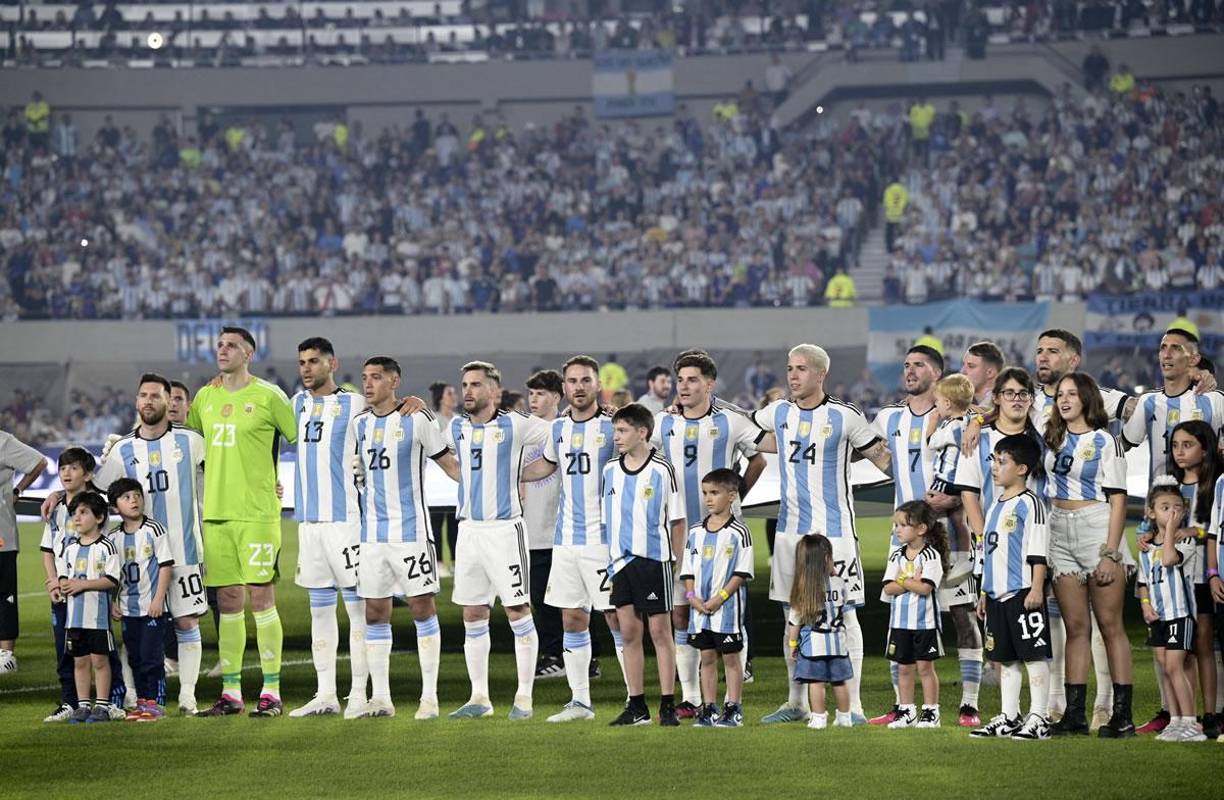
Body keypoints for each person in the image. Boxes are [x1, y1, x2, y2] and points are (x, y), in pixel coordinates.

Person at [751, 344, 894, 724]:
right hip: (789, 533)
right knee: (791, 615)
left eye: (801, 369)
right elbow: (744, 428)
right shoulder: (778, 412)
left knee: (846, 614)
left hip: (837, 534)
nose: (792, 376)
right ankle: (796, 702)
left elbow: (883, 460)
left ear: (821, 374)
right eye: (789, 368)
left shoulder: (845, 416)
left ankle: (855, 706)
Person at [187, 326, 298, 717]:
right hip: (216, 513)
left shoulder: (269, 396)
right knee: (229, 601)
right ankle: (231, 693)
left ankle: (271, 691)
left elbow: (303, 438)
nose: (223, 350)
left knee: (261, 598)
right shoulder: (206, 397)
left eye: (231, 345)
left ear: (248, 354)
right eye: (219, 345)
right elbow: (190, 443)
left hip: (257, 514)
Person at [85, 373, 208, 714]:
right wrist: (57, 495)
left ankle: (188, 695)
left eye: (156, 395)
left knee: (187, 623)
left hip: (184, 550)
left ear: (169, 401)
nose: (149, 401)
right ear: (136, 401)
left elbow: (225, 474)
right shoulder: (123, 449)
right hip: (136, 559)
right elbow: (97, 492)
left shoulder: (192, 441)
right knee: (136, 627)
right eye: (143, 395)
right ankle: (133, 694)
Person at [871, 347, 981, 729]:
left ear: (937, 372)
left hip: (951, 533)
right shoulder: (889, 417)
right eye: (906, 364)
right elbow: (861, 445)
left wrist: (956, 498)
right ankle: (901, 706)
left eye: (919, 364)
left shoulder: (962, 416)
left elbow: (976, 458)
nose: (910, 370)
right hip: (903, 540)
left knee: (964, 617)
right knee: (899, 618)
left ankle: (969, 704)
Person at [652, 351, 765, 717]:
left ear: (710, 384)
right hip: (679, 533)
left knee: (727, 614)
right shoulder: (663, 422)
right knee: (681, 615)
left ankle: (732, 697)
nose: (684, 386)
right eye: (680, 380)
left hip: (723, 536)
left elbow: (759, 458)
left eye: (692, 380)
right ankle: (691, 698)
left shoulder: (730, 421)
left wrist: (736, 496)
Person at [351, 357, 460, 720]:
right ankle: (381, 698)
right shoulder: (360, 424)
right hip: (372, 536)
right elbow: (359, 473)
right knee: (374, 612)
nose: (368, 384)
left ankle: (429, 697)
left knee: (421, 607)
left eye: (376, 377)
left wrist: (489, 484)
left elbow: (450, 465)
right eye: (365, 378)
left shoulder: (418, 418)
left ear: (394, 381)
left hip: (411, 533)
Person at [443, 360, 550, 721]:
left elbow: (558, 436)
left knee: (518, 610)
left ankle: (524, 698)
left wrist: (530, 471)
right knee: (473, 613)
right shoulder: (456, 427)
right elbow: (435, 449)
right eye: (464, 385)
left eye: (475, 384)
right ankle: (479, 698)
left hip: (505, 531)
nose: (467, 391)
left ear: (494, 390)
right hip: (469, 531)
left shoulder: (516, 424)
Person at [521, 355, 620, 722]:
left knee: (616, 619)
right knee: (573, 619)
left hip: (603, 541)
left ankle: (635, 699)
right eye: (573, 381)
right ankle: (580, 702)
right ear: (564, 388)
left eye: (586, 380)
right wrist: (507, 472)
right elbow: (546, 465)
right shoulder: (559, 429)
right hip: (565, 541)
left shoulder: (613, 426)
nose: (579, 387)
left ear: (598, 385)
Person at [1042, 372, 1134, 738]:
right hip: (1058, 528)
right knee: (1076, 627)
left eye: (1071, 394)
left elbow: (1119, 500)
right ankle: (1075, 716)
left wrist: (1111, 553)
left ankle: (1122, 716)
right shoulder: (1051, 437)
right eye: (1060, 395)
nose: (1064, 400)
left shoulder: (1105, 441)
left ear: (1086, 399)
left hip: (1097, 527)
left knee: (1110, 625)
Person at [287, 337, 369, 719]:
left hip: (344, 521)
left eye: (314, 361)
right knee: (319, 611)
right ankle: (325, 694)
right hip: (309, 524)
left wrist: (413, 403)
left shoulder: (355, 403)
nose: (306, 368)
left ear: (332, 364)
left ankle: (359, 694)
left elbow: (391, 415)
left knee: (357, 610)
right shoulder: (296, 404)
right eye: (302, 362)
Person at [603, 403, 686, 726]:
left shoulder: (662, 469)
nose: (616, 436)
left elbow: (677, 520)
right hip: (620, 563)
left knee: (660, 632)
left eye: (623, 430)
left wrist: (678, 561)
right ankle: (637, 705)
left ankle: (668, 704)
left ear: (642, 432)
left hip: (653, 560)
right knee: (628, 633)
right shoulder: (611, 470)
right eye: (615, 430)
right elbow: (609, 518)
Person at [970, 434, 1053, 741]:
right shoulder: (995, 505)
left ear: (1022, 469)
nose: (994, 467)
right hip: (996, 595)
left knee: (1033, 655)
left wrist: (1036, 589)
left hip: (1022, 592)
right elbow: (988, 552)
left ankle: (1039, 717)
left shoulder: (1031, 504)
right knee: (1005, 658)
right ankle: (1009, 716)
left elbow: (1038, 551)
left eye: (1002, 461)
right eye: (993, 460)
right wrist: (984, 591)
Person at [40, 448, 126, 722]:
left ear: (87, 474)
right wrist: (53, 581)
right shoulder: (55, 508)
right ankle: (72, 702)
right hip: (63, 587)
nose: (66, 473)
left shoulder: (97, 505)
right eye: (63, 468)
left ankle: (111, 701)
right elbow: (48, 549)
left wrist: (113, 596)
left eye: (73, 468)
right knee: (67, 650)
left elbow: (107, 553)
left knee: (102, 651)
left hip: (92, 590)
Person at [679, 468, 754, 728]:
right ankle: (708, 708)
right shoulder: (695, 531)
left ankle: (733, 708)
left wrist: (719, 598)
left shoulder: (739, 532)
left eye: (714, 493)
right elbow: (688, 570)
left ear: (731, 496)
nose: (708, 499)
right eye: (705, 493)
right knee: (707, 658)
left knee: (731, 659)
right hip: (700, 610)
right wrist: (692, 597)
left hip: (726, 610)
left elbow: (741, 573)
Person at [1164, 420, 1221, 738]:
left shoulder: (1214, 485)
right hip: (1173, 578)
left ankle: (1210, 713)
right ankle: (1183, 716)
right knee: (1178, 648)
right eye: (1175, 445)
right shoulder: (1169, 483)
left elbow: (1212, 529)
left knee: (1203, 643)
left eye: (1187, 445)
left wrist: (1192, 531)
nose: (1180, 451)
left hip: (1201, 574)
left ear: (1205, 448)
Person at [1139, 478, 1205, 742]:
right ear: (1152, 513)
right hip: (1158, 616)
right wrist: (1145, 605)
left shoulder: (1184, 541)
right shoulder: (1145, 548)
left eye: (1177, 508)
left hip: (1180, 614)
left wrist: (1169, 532)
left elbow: (1168, 559)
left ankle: (1191, 723)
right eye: (1165, 508)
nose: (1172, 513)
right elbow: (1143, 582)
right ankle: (1176, 721)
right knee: (1165, 668)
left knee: (1175, 666)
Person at [108, 479, 174, 722]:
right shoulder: (114, 537)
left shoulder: (154, 530)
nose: (133, 500)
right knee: (135, 658)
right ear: (115, 507)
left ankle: (157, 703)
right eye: (126, 497)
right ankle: (142, 702)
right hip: (128, 608)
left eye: (137, 495)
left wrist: (159, 599)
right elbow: (112, 575)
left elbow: (166, 566)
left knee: (150, 657)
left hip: (152, 608)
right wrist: (112, 602)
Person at [1122, 326, 1224, 482]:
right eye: (1163, 348)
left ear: (1193, 359)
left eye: (1176, 348)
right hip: (1160, 495)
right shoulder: (1148, 401)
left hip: (1206, 495)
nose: (1166, 355)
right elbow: (1121, 445)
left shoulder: (1215, 400)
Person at [57, 492, 121, 724]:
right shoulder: (70, 548)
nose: (77, 517)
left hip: (97, 618)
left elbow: (112, 580)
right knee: (80, 661)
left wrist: (82, 585)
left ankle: (102, 706)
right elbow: (63, 575)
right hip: (74, 618)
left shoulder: (106, 547)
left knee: (100, 661)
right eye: (75, 513)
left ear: (100, 517)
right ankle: (83, 705)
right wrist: (63, 584)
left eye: (83, 512)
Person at [882, 500, 948, 729]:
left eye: (903, 525)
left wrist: (902, 579)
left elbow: (925, 588)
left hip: (924, 623)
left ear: (921, 529)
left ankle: (931, 712)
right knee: (903, 668)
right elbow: (888, 588)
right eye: (896, 525)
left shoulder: (930, 556)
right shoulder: (896, 556)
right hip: (900, 623)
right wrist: (910, 581)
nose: (897, 530)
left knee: (925, 668)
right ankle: (907, 711)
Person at [522, 370, 565, 681]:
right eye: (531, 393)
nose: (533, 399)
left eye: (540, 393)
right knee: (539, 597)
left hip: (562, 530)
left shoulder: (566, 430)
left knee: (574, 599)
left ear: (556, 397)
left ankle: (575, 656)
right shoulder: (523, 433)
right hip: (533, 530)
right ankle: (554, 654)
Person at [786, 534, 852, 730]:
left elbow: (794, 623)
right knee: (839, 682)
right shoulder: (839, 583)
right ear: (826, 559)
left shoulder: (803, 589)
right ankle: (845, 717)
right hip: (838, 643)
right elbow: (843, 604)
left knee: (816, 682)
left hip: (814, 645)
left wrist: (792, 644)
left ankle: (819, 718)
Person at [0, 427, 47, 673]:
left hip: (1, 533)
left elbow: (39, 462)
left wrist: (18, 490)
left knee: (4, 593)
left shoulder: (3, 441)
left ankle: (6, 654)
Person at [428, 380, 459, 575]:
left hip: (454, 480)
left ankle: (455, 561)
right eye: (450, 393)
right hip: (435, 481)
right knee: (436, 524)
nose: (454, 397)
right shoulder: (433, 420)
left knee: (456, 524)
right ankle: (438, 562)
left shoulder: (459, 420)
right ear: (440, 398)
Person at [960, 341, 1004, 407]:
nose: (962, 371)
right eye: (963, 365)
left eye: (971, 366)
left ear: (990, 373)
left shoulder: (1007, 407)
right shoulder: (954, 403)